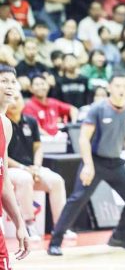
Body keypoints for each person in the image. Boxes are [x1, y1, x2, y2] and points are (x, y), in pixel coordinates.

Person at [48, 74, 125, 256]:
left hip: (116, 163)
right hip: (95, 161)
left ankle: (120, 237)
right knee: (77, 200)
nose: (121, 89)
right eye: (118, 85)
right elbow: (84, 138)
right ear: (110, 88)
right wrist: (88, 165)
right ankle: (55, 241)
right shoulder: (98, 108)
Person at [6, 90, 72, 241]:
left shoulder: (31, 121)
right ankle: (28, 225)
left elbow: (38, 148)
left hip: (32, 168)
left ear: (23, 101)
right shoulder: (2, 122)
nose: (14, 102)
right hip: (11, 170)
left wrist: (36, 166)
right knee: (25, 179)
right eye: (11, 99)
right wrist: (25, 168)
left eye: (17, 98)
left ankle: (60, 227)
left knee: (56, 181)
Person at [0, 66, 31, 268]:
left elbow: (4, 181)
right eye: (4, 81)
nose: (10, 86)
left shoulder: (6, 125)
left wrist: (20, 223)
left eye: (13, 81)